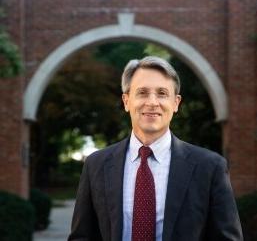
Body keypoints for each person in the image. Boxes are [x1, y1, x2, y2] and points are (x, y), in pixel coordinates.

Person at [68, 56, 243, 241]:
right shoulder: (96, 164)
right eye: (142, 92)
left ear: (175, 103)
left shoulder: (210, 167)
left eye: (162, 93)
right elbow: (82, 237)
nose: (152, 102)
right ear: (126, 101)